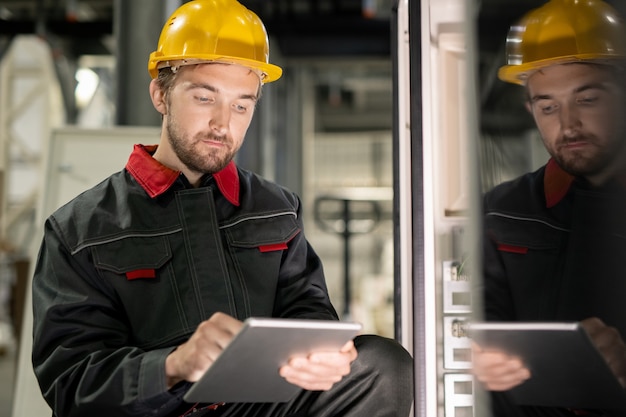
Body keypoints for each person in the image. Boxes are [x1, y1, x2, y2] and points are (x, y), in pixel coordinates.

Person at [29, 1, 414, 416]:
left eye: (241, 105)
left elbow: (308, 311)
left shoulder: (275, 209)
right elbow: (70, 383)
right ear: (161, 94)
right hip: (159, 410)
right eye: (204, 97)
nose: (222, 123)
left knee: (383, 365)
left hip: (261, 406)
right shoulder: (79, 229)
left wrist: (319, 354)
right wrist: (172, 366)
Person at [471, 0, 626, 416]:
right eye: (548, 107)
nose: (568, 124)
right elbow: (476, 326)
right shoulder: (501, 214)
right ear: (531, 111)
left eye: (588, 99)